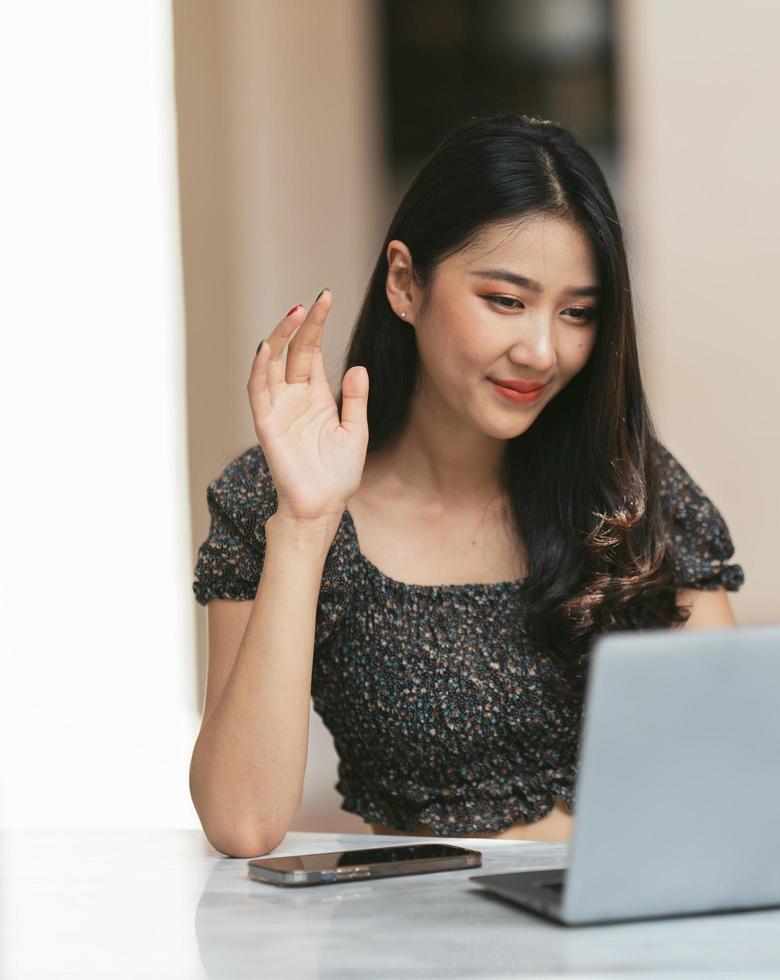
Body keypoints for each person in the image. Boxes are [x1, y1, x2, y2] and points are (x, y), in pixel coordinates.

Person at [188, 114, 743, 859]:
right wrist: (306, 522)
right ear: (404, 282)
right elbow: (243, 821)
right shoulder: (277, 498)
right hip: (429, 949)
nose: (542, 351)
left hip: (630, 935)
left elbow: (737, 769)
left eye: (578, 313)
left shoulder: (627, 484)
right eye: (506, 301)